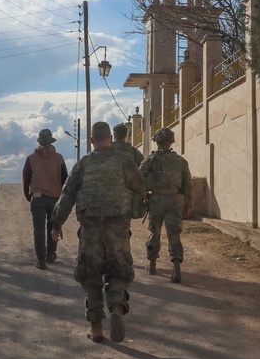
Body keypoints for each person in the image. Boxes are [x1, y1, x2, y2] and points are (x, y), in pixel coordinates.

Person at [51, 121, 146, 343]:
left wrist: (57, 224)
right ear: (110, 139)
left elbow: (67, 196)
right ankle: (115, 309)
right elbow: (141, 189)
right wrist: (129, 209)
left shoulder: (83, 164)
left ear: (92, 141)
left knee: (90, 276)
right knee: (119, 272)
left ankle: (96, 328)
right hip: (118, 227)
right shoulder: (125, 161)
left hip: (90, 228)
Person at [139, 127, 192, 282]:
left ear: (157, 142)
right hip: (175, 201)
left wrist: (142, 196)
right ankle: (176, 268)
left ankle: (152, 264)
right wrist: (188, 204)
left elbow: (139, 177)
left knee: (155, 233)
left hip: (156, 201)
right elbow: (188, 185)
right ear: (171, 141)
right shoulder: (181, 161)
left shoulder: (150, 160)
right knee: (174, 233)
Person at [23, 129, 68, 269]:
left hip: (37, 197)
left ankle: (41, 259)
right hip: (54, 198)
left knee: (38, 229)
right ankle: (51, 253)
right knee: (53, 225)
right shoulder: (59, 158)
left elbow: (26, 179)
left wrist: (28, 196)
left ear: (39, 142)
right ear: (51, 141)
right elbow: (65, 179)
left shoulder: (31, 158)